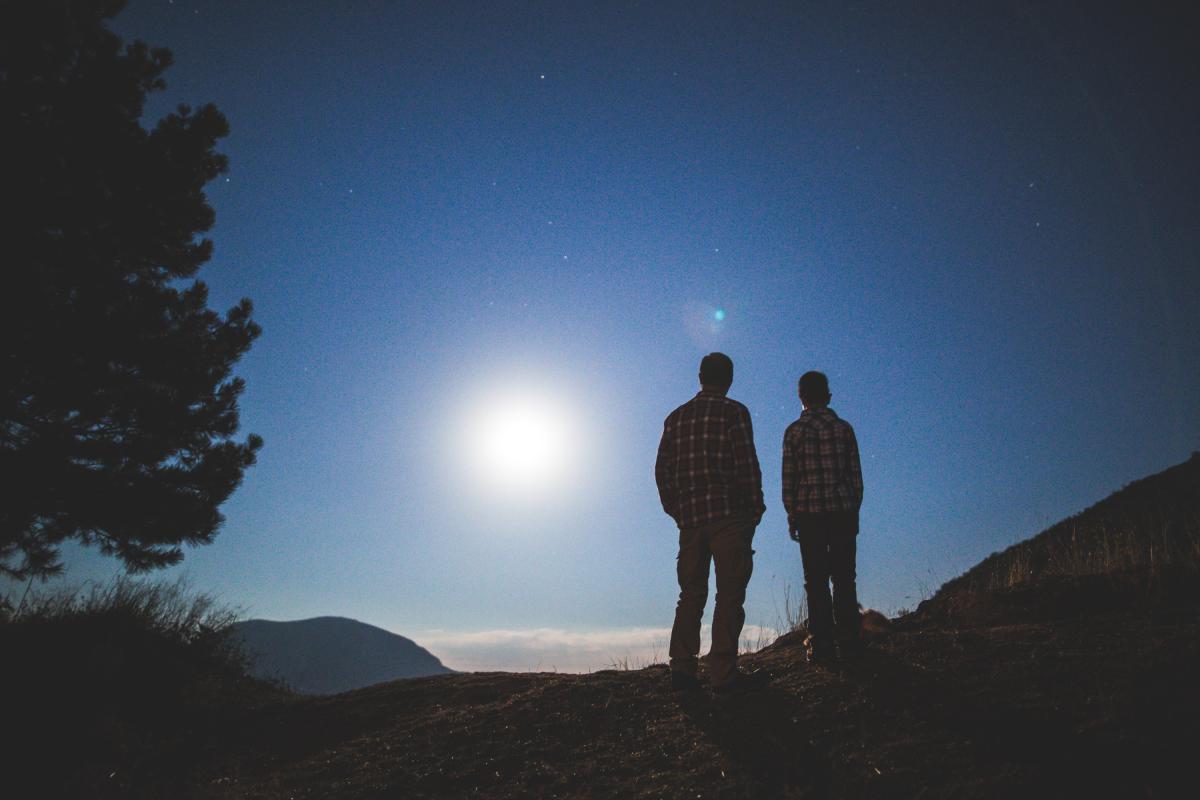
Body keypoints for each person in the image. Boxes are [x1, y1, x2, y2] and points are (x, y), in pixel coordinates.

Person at [655, 352, 766, 692]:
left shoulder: (676, 418)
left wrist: (677, 510)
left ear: (699, 375)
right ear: (729, 379)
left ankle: (683, 669)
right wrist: (755, 508)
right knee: (729, 594)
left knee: (690, 594)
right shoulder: (734, 412)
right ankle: (722, 672)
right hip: (728, 516)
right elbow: (746, 463)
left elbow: (662, 471)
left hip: (691, 520)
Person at [782, 370, 864, 664]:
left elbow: (789, 480)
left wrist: (793, 515)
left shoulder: (794, 432)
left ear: (800, 397)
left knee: (815, 581)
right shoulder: (843, 429)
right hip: (841, 511)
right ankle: (851, 640)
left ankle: (822, 644)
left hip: (809, 515)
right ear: (828, 396)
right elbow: (855, 477)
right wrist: (853, 508)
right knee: (845, 578)